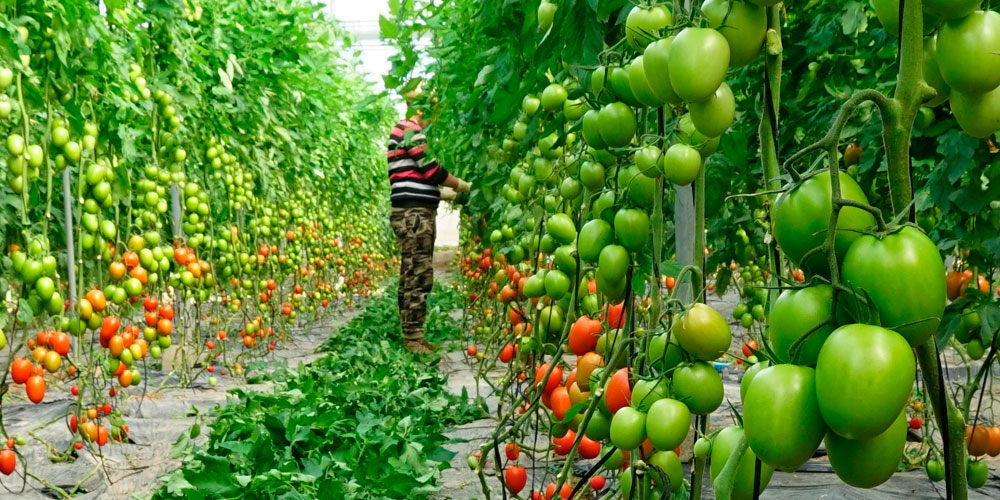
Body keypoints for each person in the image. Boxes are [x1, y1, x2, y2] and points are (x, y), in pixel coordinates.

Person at [386, 111, 470, 353]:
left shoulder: (402, 131)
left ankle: (412, 332)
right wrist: (459, 185)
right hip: (415, 216)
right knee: (418, 273)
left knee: (411, 269)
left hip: (411, 212)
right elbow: (431, 170)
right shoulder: (409, 130)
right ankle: (412, 337)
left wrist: (438, 193)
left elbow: (411, 177)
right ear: (420, 109)